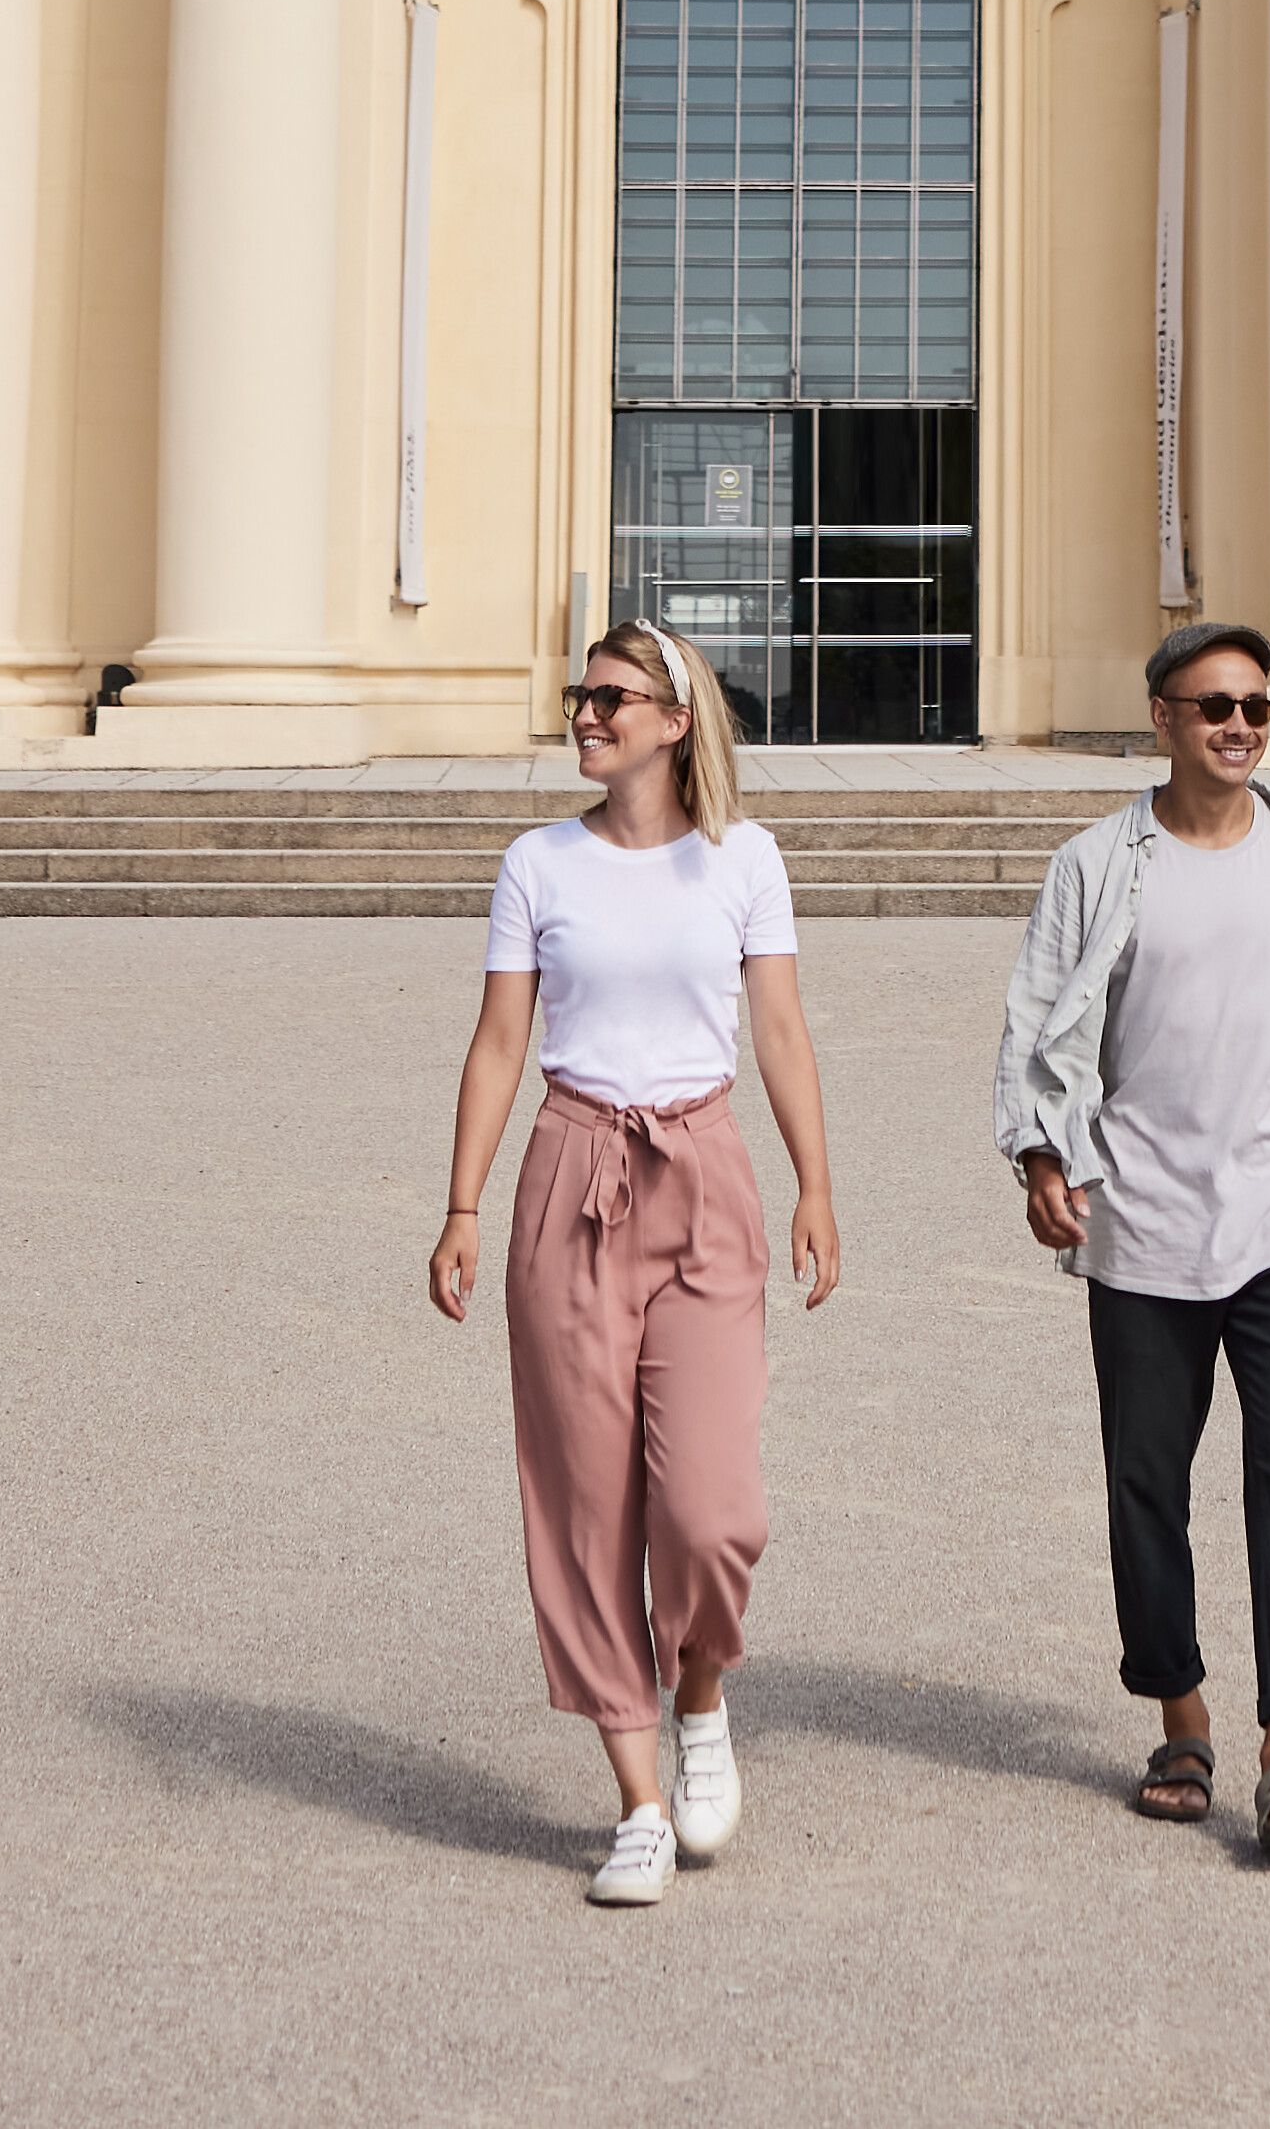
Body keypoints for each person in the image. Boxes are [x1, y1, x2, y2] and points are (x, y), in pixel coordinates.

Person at [433, 618, 841, 1906]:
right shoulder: (536, 862)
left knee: (712, 1510)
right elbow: (501, 1041)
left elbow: (776, 1026)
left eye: (613, 696)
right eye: (579, 694)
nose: (586, 714)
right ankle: (640, 1802)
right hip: (571, 1175)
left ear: (676, 719)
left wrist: (814, 1186)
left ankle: (702, 1694)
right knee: (585, 1505)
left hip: (703, 1174)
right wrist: (461, 1205)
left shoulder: (743, 859)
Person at [996, 622, 1270, 1858]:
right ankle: (1180, 1717)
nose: (1239, 727)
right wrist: (1041, 1154)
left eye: (1257, 710)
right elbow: (1035, 1024)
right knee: (1143, 1486)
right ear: (1160, 717)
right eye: (1215, 706)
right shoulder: (1095, 864)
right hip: (1147, 1215)